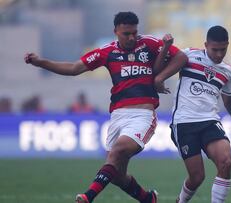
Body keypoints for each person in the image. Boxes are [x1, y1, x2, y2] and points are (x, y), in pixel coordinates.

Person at [24, 11, 187, 203]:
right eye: (126, 34)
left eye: (134, 32)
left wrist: (160, 78)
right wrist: (41, 62)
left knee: (116, 152)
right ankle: (148, 199)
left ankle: (88, 196)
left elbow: (181, 57)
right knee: (117, 175)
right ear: (116, 31)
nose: (132, 37)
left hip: (142, 115)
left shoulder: (150, 44)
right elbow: (74, 68)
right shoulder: (107, 51)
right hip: (117, 116)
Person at [155, 25, 231, 203]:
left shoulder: (227, 72)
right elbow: (159, 69)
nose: (219, 54)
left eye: (223, 50)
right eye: (214, 50)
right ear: (205, 45)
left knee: (226, 162)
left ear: (228, 45)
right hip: (184, 123)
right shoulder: (188, 55)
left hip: (210, 121)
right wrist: (160, 75)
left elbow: (229, 103)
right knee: (197, 177)